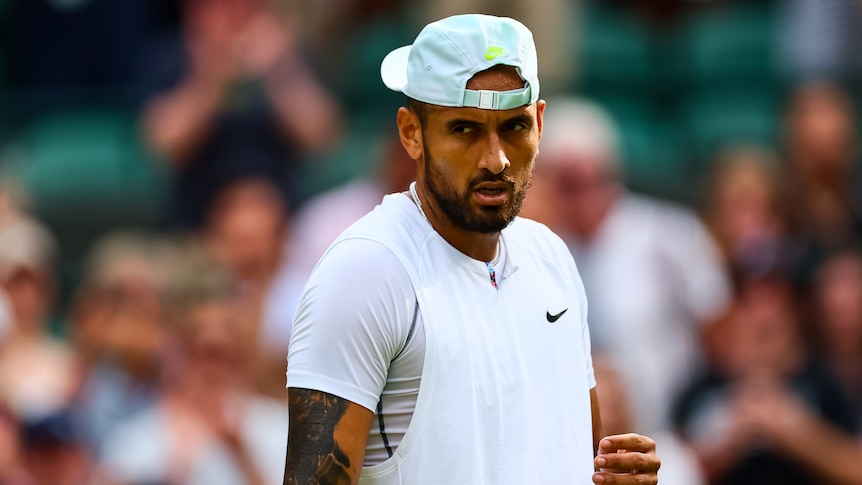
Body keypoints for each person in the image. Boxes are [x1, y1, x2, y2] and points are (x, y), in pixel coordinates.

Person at [284, 14, 660, 484]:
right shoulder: (366, 270)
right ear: (411, 132)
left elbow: (577, 463)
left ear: (540, 123)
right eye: (465, 128)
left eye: (514, 127)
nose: (496, 158)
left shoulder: (552, 258)